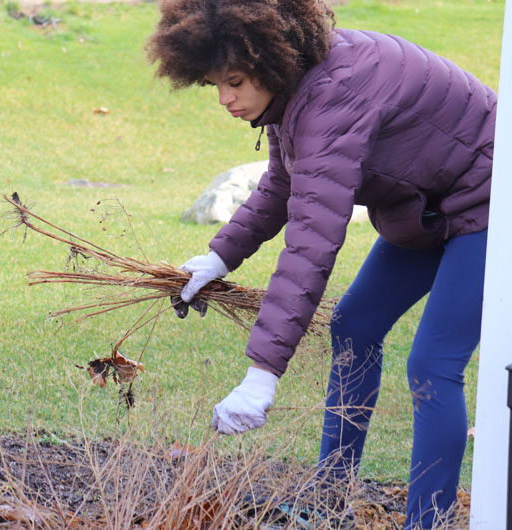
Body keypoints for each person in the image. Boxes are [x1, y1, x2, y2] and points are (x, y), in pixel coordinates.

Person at [147, 0, 493, 528]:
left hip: (490, 204)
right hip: (427, 208)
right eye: (215, 84)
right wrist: (218, 257)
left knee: (432, 363)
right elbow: (284, 185)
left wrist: (261, 375)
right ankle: (329, 498)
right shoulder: (297, 91)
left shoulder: (335, 96)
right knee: (354, 326)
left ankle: (429, 521)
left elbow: (312, 242)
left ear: (268, 61)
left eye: (235, 81)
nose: (224, 99)